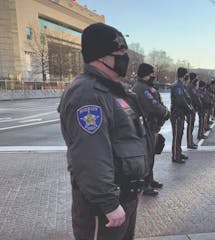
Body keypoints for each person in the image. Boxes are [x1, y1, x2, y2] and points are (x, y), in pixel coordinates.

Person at [58, 23, 153, 240]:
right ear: (99, 56)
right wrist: (108, 203)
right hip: (104, 204)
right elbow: (90, 155)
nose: (124, 58)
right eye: (118, 53)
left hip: (124, 193)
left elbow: (125, 137)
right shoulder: (88, 94)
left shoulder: (113, 90)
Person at [132, 63, 170, 196]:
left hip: (151, 125)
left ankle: (150, 179)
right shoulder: (141, 88)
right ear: (146, 74)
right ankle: (145, 184)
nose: (153, 76)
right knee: (147, 155)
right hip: (145, 126)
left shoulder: (146, 86)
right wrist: (165, 112)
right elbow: (153, 105)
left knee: (151, 154)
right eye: (151, 73)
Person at [170, 67, 193, 163]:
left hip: (181, 114)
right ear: (184, 75)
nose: (187, 76)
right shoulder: (177, 86)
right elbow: (181, 101)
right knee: (176, 136)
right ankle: (175, 156)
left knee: (180, 134)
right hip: (177, 114)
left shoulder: (181, 85)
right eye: (186, 74)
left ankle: (178, 152)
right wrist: (189, 109)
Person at [186, 73, 201, 149]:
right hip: (191, 109)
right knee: (190, 127)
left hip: (192, 108)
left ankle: (191, 142)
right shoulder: (191, 87)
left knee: (191, 126)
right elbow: (195, 97)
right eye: (196, 78)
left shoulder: (192, 87)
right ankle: (189, 143)